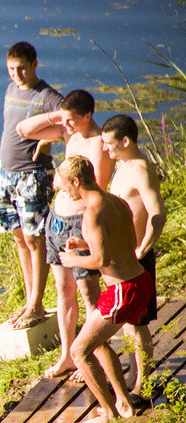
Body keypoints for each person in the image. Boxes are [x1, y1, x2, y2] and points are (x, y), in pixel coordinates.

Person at [17, 89, 114, 379]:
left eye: (72, 119)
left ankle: (91, 357)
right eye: (64, 120)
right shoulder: (70, 135)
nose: (66, 124)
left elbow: (97, 191)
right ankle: (67, 356)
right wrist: (57, 118)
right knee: (63, 291)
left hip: (78, 224)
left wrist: (89, 233)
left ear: (88, 116)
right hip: (56, 221)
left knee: (89, 295)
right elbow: (23, 129)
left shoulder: (98, 143)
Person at [55, 156, 153, 423]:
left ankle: (108, 413)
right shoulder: (116, 202)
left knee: (78, 352)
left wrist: (73, 259)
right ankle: (122, 402)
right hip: (139, 279)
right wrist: (86, 243)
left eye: (66, 188)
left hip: (122, 289)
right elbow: (125, 242)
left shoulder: (92, 212)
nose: (66, 193)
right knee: (95, 343)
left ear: (76, 182)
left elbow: (101, 261)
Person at [0, 42, 64, 331]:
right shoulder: (11, 90)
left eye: (21, 68)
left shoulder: (47, 96)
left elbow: (72, 122)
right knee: (19, 237)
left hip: (32, 175)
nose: (16, 74)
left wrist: (49, 140)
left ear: (35, 64)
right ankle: (30, 299)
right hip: (6, 173)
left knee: (36, 239)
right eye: (11, 68)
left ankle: (36, 305)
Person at [101, 114, 166, 395]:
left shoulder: (140, 168)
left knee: (138, 323)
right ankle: (133, 375)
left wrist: (143, 249)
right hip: (121, 259)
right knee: (127, 320)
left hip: (136, 260)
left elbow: (158, 214)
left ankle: (143, 384)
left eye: (109, 143)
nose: (105, 149)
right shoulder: (122, 165)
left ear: (125, 140)